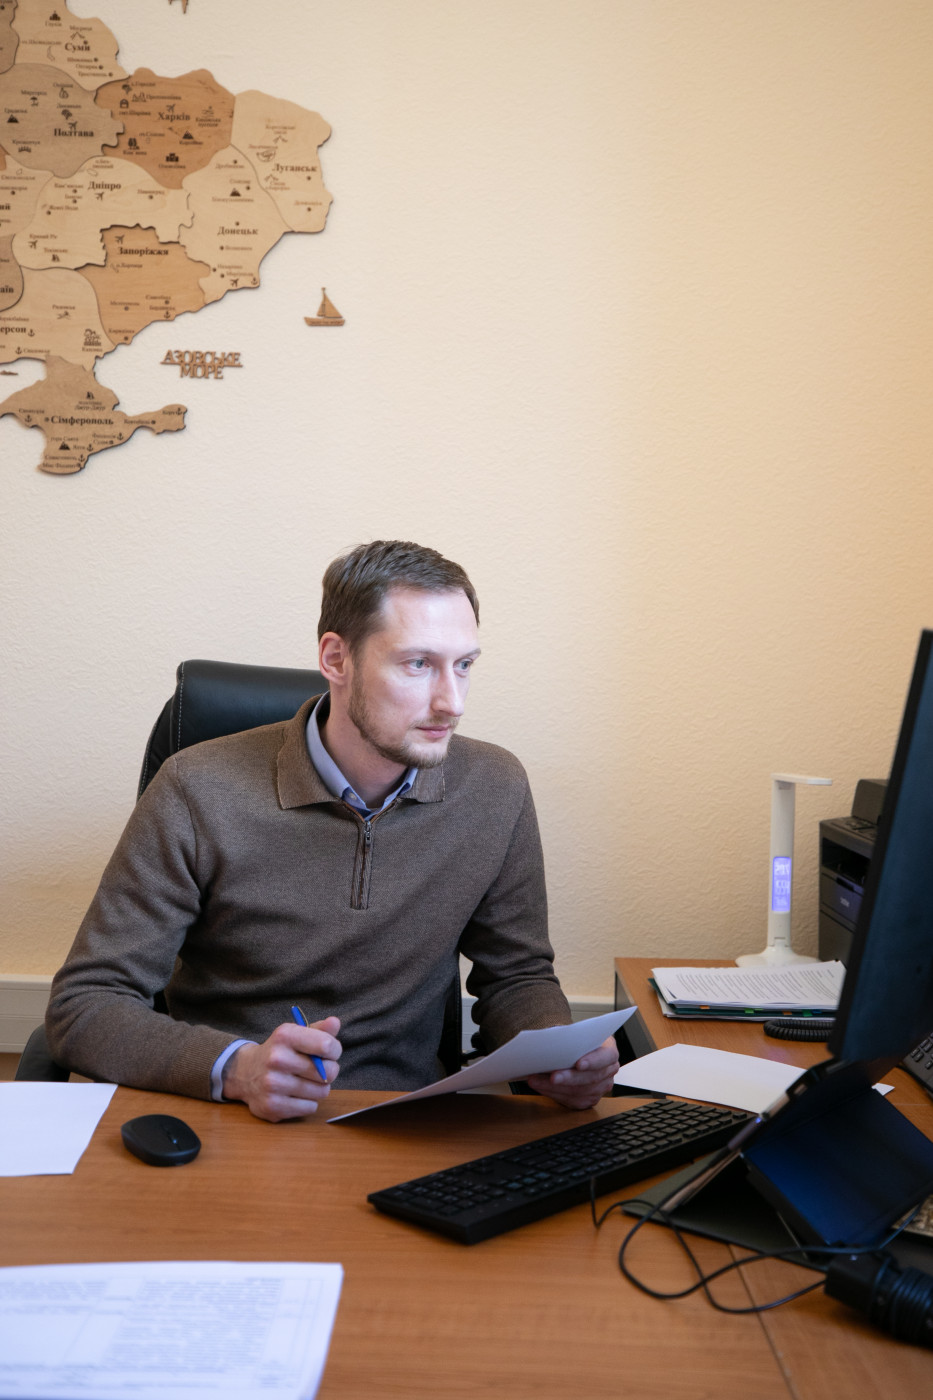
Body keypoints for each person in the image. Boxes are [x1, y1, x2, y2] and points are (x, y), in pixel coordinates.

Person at [46, 541, 619, 1120]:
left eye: (464, 665)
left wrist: (561, 1052)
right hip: (233, 1119)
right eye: (418, 664)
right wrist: (238, 1069)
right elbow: (85, 1006)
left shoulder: (495, 788)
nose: (452, 702)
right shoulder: (195, 790)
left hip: (407, 1118)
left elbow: (517, 977)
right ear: (336, 659)